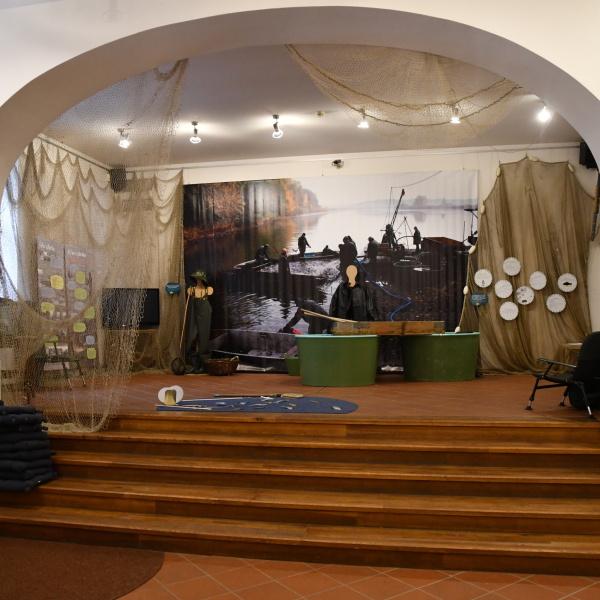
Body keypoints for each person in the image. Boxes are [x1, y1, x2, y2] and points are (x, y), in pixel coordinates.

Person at [184, 269, 213, 374]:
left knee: (204, 337)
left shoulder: (209, 290)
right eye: (196, 278)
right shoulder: (190, 290)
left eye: (199, 278)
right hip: (193, 312)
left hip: (205, 312)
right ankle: (195, 366)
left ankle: (203, 366)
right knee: (191, 336)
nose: (197, 280)